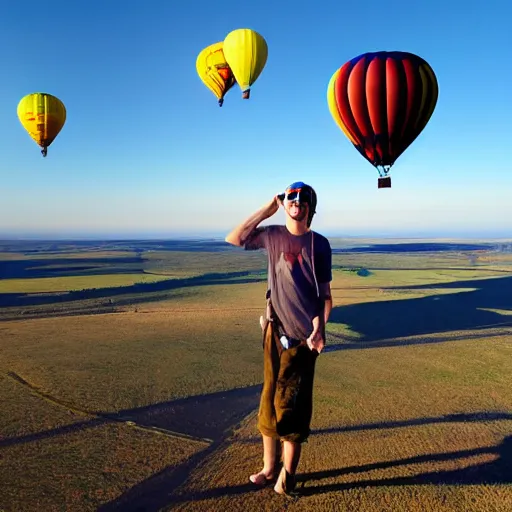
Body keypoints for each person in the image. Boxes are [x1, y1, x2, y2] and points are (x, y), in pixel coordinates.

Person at [225, 181, 333, 495]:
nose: (296, 200)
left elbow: (324, 295)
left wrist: (319, 329)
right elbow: (235, 238)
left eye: (302, 197)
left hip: (302, 340)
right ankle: (269, 469)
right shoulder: (272, 235)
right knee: (268, 405)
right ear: (284, 203)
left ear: (311, 207)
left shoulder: (319, 244)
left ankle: (288, 475)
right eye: (290, 196)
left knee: (292, 411)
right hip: (273, 332)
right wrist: (265, 208)